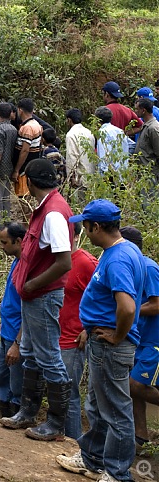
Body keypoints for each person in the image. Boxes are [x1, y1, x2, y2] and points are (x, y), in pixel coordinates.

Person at [57, 200, 145, 482]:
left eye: (86, 226)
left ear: (96, 227)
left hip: (110, 345)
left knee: (116, 411)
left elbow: (128, 307)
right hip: (102, 342)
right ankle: (92, 458)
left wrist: (118, 335)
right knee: (96, 404)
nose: (84, 231)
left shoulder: (118, 258)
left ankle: (118, 473)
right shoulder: (121, 250)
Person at [0, 158, 73, 442]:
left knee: (49, 358)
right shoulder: (49, 207)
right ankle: (27, 413)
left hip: (42, 296)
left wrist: (32, 284)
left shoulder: (53, 213)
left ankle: (55, 423)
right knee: (30, 352)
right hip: (34, 297)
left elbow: (64, 261)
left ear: (29, 182)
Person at [119, 226, 159, 454]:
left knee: (135, 385)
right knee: (133, 386)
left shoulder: (149, 267)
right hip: (139, 337)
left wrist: (129, 312)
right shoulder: (131, 268)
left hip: (154, 339)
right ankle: (140, 436)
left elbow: (156, 304)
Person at [59, 221, 98, 440]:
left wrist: (88, 328)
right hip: (54, 336)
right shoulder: (55, 261)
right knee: (58, 391)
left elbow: (104, 299)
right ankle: (61, 435)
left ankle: (74, 443)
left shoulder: (86, 263)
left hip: (73, 339)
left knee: (69, 393)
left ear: (75, 236)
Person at [0, 221, 26, 418]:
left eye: (4, 242)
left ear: (19, 241)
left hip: (16, 335)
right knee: (2, 375)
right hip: (7, 330)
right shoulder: (16, 262)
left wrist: (17, 342)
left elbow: (29, 310)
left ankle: (17, 413)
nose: (2, 246)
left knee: (17, 381)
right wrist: (1, 323)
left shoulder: (27, 268)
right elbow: (11, 299)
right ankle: (4, 412)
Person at [10, 98, 43, 198]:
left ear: (20, 110)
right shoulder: (37, 125)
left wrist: (16, 170)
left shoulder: (27, 128)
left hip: (25, 168)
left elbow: (25, 150)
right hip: (32, 165)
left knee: (23, 197)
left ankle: (28, 214)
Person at [64, 108, 96, 197]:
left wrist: (72, 177)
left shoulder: (71, 135)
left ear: (69, 120)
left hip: (80, 176)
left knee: (81, 203)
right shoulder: (89, 132)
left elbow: (72, 156)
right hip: (91, 173)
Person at [95, 106, 130, 176]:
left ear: (98, 120)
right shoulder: (119, 131)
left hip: (110, 175)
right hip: (123, 171)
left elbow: (103, 156)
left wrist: (103, 173)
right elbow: (132, 145)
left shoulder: (102, 132)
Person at [134, 97, 159, 188]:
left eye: (137, 109)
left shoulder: (153, 128)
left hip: (150, 175)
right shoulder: (145, 126)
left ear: (143, 110)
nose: (135, 111)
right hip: (143, 174)